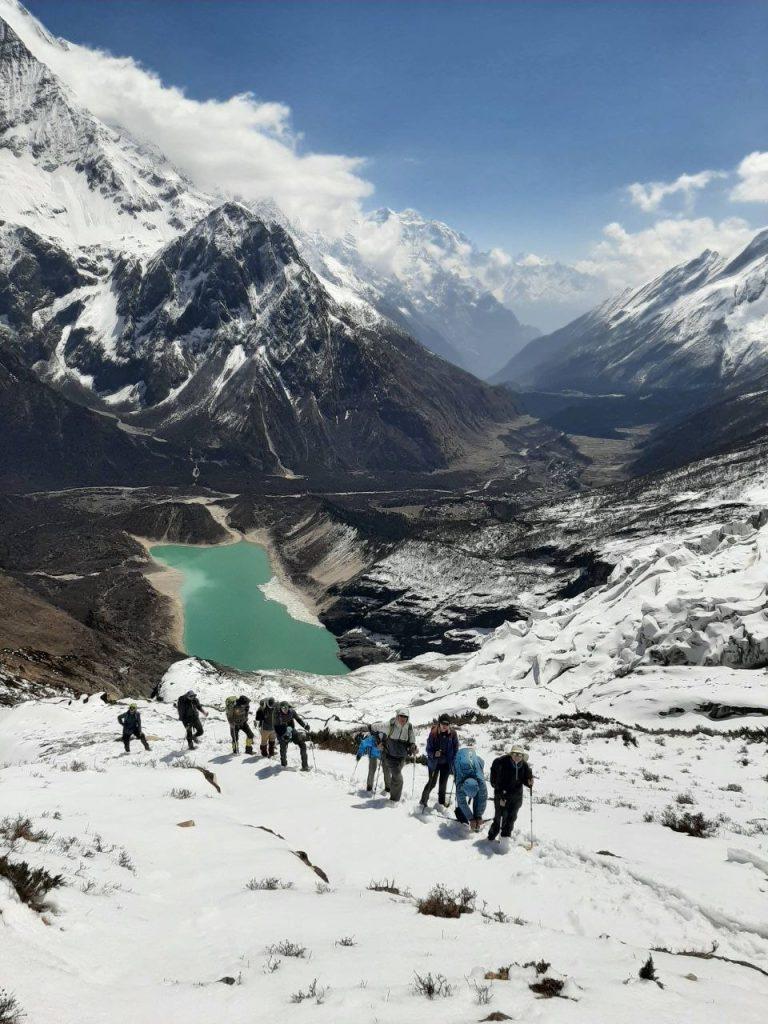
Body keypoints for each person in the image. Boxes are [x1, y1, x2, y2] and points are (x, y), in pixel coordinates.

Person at [488, 744, 533, 842]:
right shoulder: (501, 764)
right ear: (511, 754)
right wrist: (500, 795)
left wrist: (529, 782)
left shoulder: (524, 765)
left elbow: (526, 779)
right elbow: (495, 782)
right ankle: (491, 837)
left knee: (511, 818)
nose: (517, 756)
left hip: (516, 796)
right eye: (515, 754)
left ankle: (505, 838)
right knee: (499, 818)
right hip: (502, 795)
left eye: (520, 754)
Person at [420, 714, 458, 809]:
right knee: (431, 783)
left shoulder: (453, 734)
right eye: (443, 723)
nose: (445, 725)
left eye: (447, 724)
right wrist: (433, 754)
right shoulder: (433, 733)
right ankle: (423, 801)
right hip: (434, 763)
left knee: (443, 784)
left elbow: (455, 748)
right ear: (439, 723)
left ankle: (441, 803)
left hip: (446, 763)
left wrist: (454, 761)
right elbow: (428, 749)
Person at [382, 709, 416, 803]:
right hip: (390, 756)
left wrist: (413, 746)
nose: (402, 718)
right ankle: (394, 800)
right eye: (401, 716)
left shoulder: (409, 727)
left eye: (405, 717)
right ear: (397, 716)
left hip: (401, 757)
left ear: (407, 718)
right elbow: (379, 729)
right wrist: (370, 728)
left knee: (395, 777)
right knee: (399, 779)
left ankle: (392, 794)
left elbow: (412, 740)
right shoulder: (391, 725)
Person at [453, 746, 487, 831]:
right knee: (461, 801)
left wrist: (478, 816)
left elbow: (482, 799)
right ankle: (466, 818)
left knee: (479, 798)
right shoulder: (460, 782)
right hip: (459, 758)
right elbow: (462, 802)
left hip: (473, 758)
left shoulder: (481, 781)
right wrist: (470, 819)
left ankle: (477, 817)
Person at [275, 700, 310, 770]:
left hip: (291, 730)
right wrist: (283, 736)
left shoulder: (292, 712)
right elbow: (276, 727)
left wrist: (304, 726)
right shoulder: (278, 715)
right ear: (280, 708)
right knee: (283, 748)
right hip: (281, 732)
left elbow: (298, 719)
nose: (285, 709)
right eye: (283, 708)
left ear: (288, 707)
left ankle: (305, 766)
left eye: (286, 708)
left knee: (302, 745)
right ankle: (283, 765)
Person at [356, 723, 384, 792]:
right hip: (373, 755)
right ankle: (369, 786)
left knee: (387, 770)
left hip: (382, 755)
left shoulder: (385, 738)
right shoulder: (371, 739)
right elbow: (363, 744)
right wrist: (359, 754)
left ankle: (388, 788)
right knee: (372, 769)